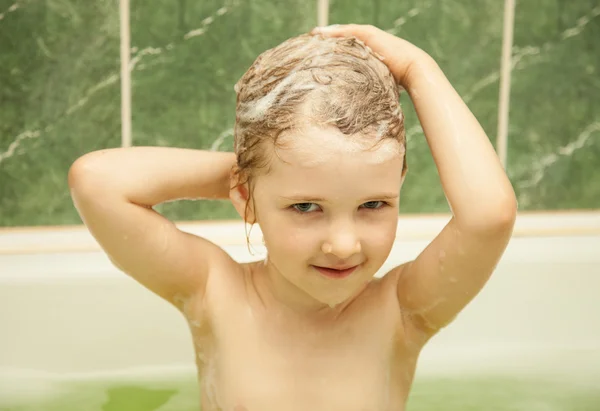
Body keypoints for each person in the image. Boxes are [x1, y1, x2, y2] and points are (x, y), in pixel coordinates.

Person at [68, 24, 517, 411]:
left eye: (372, 205)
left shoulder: (402, 312)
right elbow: (97, 182)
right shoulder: (213, 291)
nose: (343, 244)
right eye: (305, 206)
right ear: (244, 197)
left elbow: (488, 217)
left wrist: (418, 69)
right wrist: (260, 173)